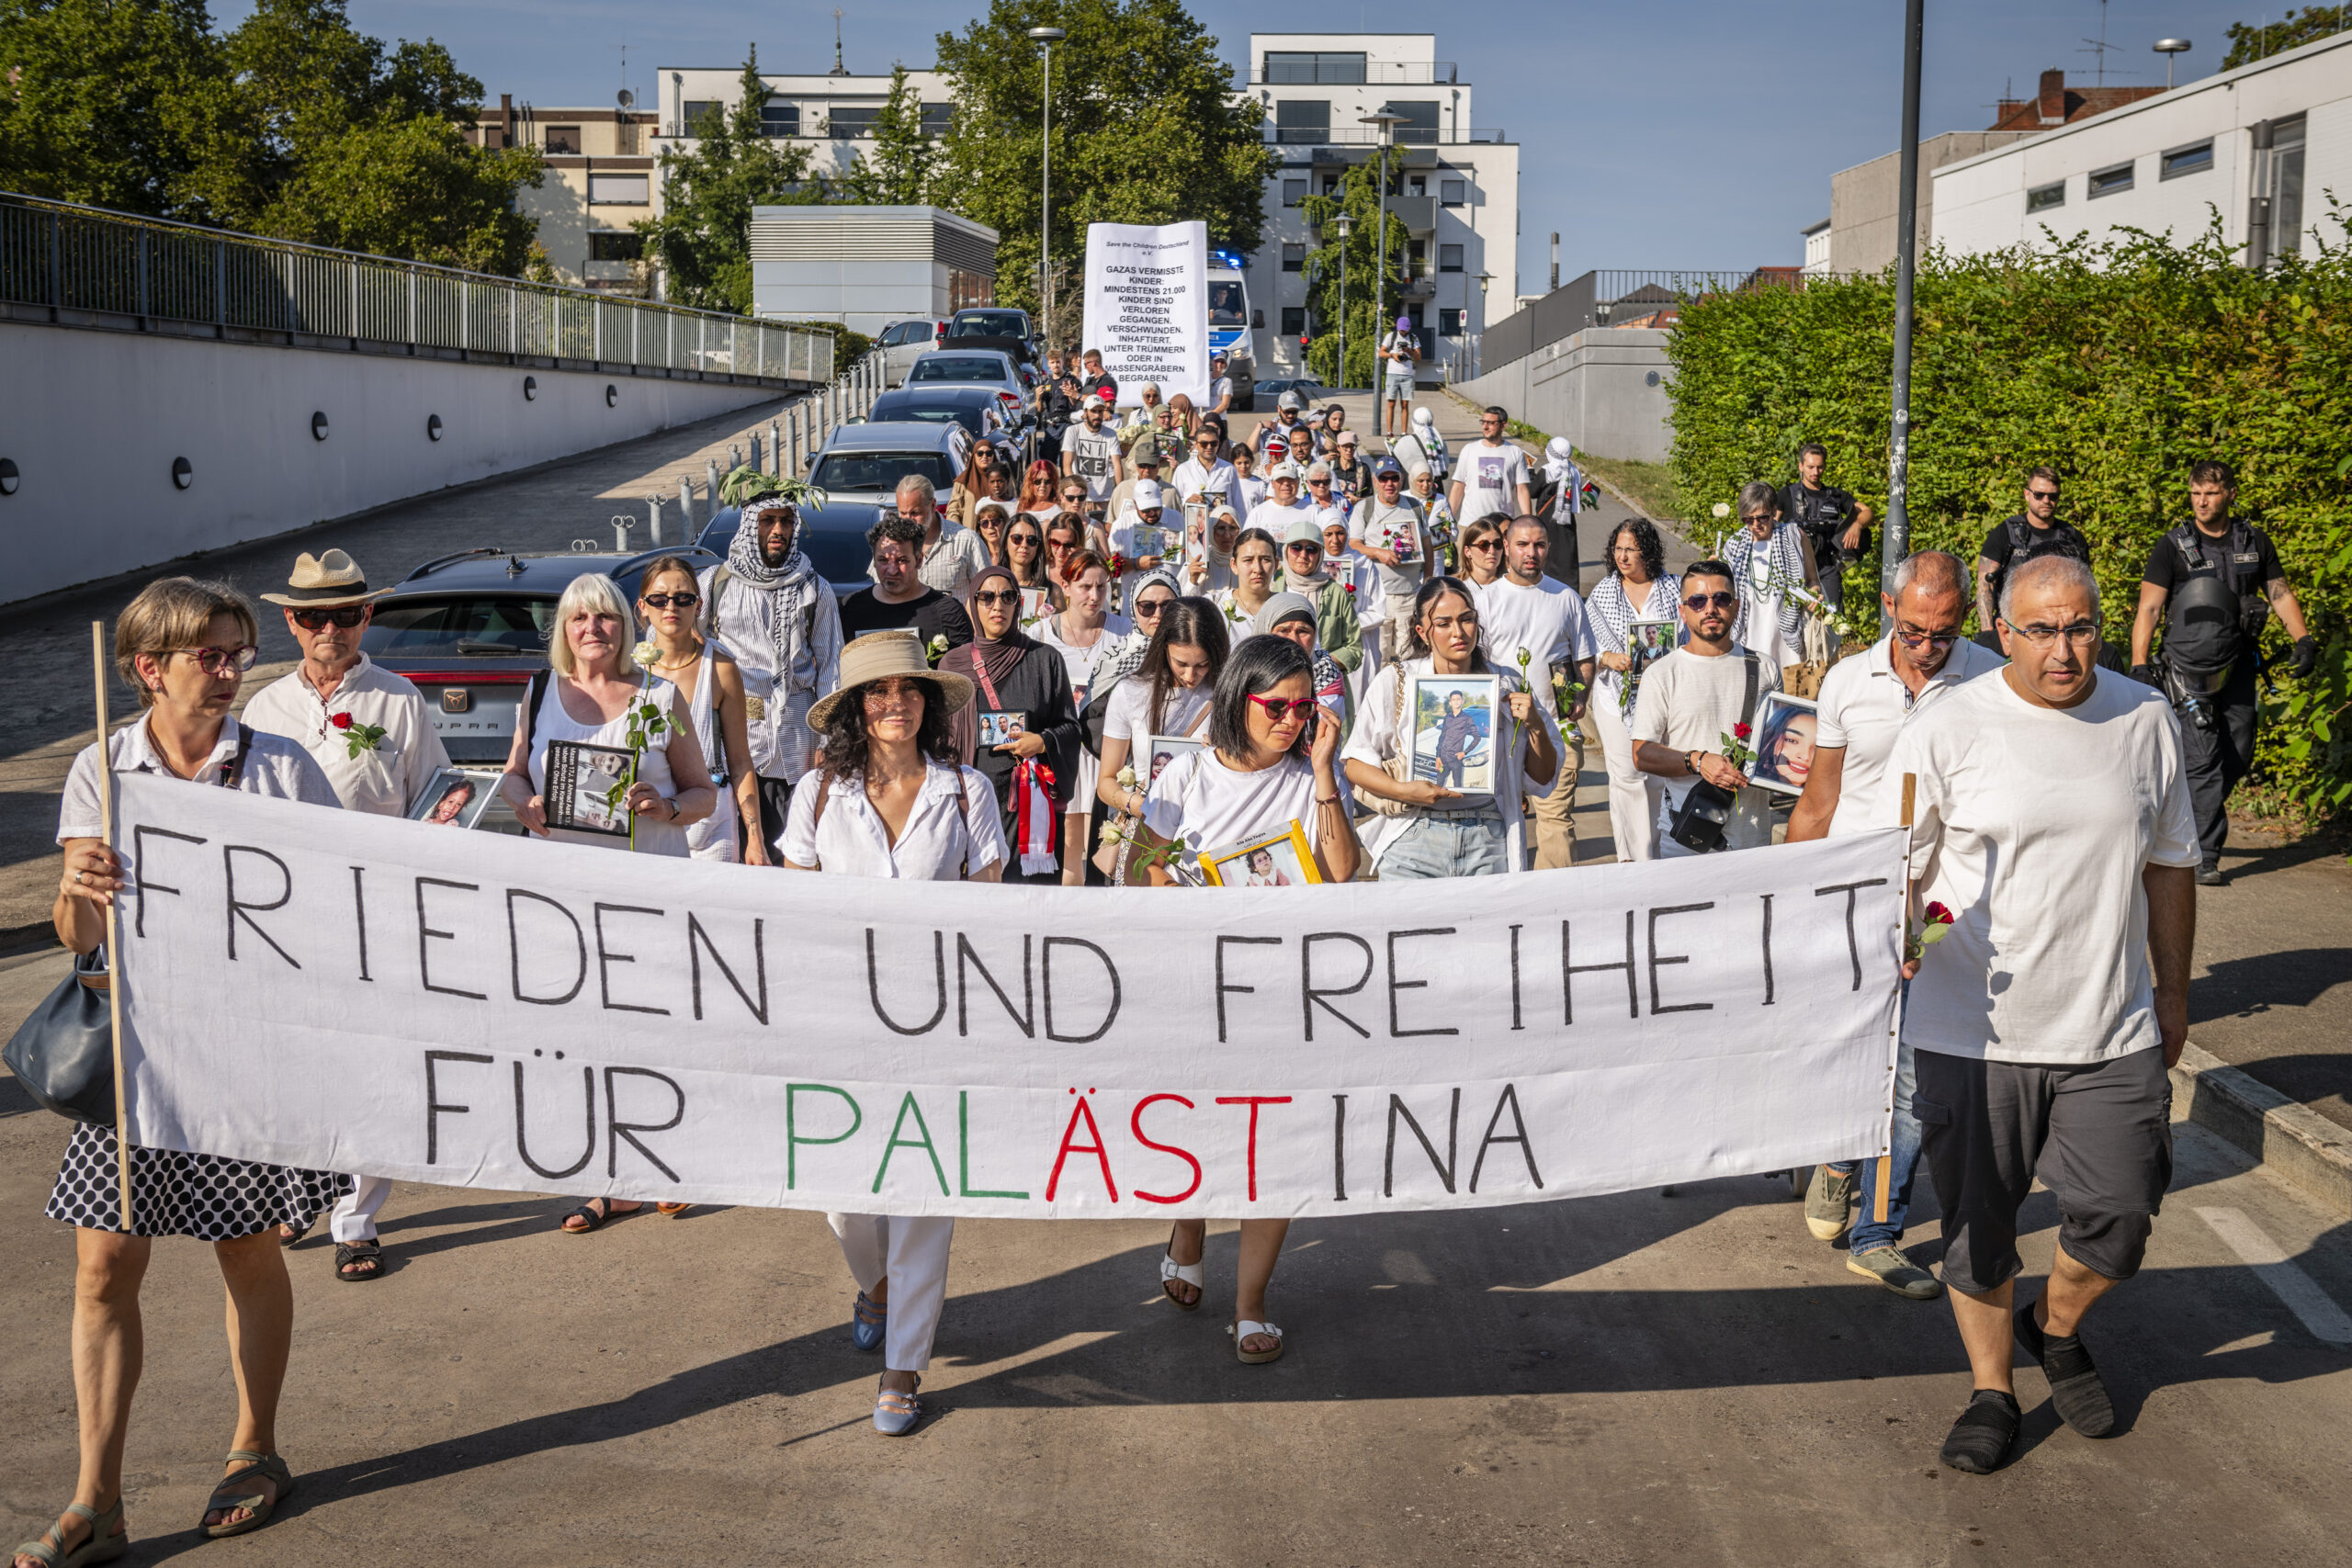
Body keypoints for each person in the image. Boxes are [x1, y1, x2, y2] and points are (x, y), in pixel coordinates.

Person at [35, 578, 347, 1562]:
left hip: (243, 1046)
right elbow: (78, 938)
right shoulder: (104, 765)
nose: (228, 671)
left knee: (248, 1247)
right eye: (208, 656)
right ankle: (96, 1502)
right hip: (136, 1045)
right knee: (102, 1267)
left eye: (235, 653)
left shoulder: (282, 766)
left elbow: (338, 906)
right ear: (147, 668)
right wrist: (76, 890)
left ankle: (254, 1447)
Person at [1890, 554, 2198, 1476]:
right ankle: (1992, 1390)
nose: (2064, 651)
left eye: (2081, 627)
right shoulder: (1949, 725)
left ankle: (2053, 1324)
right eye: (2042, 631)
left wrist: (2172, 988)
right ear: (2003, 631)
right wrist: (1920, 938)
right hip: (1969, 1032)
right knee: (1979, 1227)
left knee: (2119, 1217)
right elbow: (1915, 874)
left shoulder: (2144, 717)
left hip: (2110, 1025)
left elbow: (2169, 862)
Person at [779, 631, 1004, 1438]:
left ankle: (903, 1363)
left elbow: (989, 910)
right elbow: (794, 913)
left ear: (929, 701)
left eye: (909, 690)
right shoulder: (814, 796)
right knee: (843, 1197)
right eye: (877, 693)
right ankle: (873, 1286)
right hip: (841, 1022)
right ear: (852, 710)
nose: (895, 703)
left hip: (940, 1021)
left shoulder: (969, 791)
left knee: (923, 1195)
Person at [1136, 635, 1360, 1362]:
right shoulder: (1185, 776)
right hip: (1198, 987)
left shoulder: (1308, 773)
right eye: (1279, 705)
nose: (1293, 720)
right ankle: (1191, 1226)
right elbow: (1139, 867)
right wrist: (1179, 890)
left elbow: (1342, 870)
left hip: (1283, 993)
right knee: (1199, 1130)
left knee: (1275, 1146)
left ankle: (1251, 1303)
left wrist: (1324, 772)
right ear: (1240, 699)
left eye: (1305, 707)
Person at [1786, 550, 1999, 1298]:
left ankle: (1878, 1232)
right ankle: (1839, 1154)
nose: (1928, 648)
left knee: (1913, 1067)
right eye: (1913, 631)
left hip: (1938, 903)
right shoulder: (1848, 681)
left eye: (1943, 633)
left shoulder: (1992, 680)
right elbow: (1819, 798)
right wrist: (1783, 893)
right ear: (1886, 606)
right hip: (1849, 893)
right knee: (1842, 1045)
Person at [243, 549, 449, 1280]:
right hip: (289, 914)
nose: (329, 628)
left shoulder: (399, 700)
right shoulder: (263, 707)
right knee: (296, 1063)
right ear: (292, 624)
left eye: (345, 614)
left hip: (378, 910)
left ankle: (356, 1218)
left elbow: (438, 796)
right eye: (312, 616)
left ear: (367, 616)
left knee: (372, 1067)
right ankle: (298, 1193)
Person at [503, 575, 717, 1232]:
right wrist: (524, 804)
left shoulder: (658, 695)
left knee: (650, 1029)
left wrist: (668, 807)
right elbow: (514, 772)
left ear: (625, 626)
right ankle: (608, 1179)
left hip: (647, 885)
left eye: (606, 617)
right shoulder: (539, 693)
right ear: (564, 631)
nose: (593, 628)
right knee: (580, 1035)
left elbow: (703, 791)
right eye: (579, 619)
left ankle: (659, 1162)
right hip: (563, 894)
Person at [2129, 460, 2316, 885]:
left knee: (2238, 751)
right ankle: (2204, 855)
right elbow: (2150, 608)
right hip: (2185, 667)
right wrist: (2140, 663)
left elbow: (2280, 594)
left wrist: (2304, 639)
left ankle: (2180, 822)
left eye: (2210, 494)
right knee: (2202, 758)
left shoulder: (2253, 540)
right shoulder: (2173, 545)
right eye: (2195, 494)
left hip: (2238, 664)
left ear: (2230, 493)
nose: (2201, 502)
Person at [1345, 575, 1562, 877]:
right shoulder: (1396, 681)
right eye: (1444, 623)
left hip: (1488, 838)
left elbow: (1543, 776)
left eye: (1467, 619)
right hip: (1414, 838)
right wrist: (1404, 791)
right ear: (1422, 632)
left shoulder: (1508, 683)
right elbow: (1355, 764)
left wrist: (1536, 726)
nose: (1458, 632)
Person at [700, 492, 842, 855]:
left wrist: (829, 743)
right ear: (751, 527)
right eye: (768, 521)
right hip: (727, 741)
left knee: (789, 855)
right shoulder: (715, 584)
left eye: (786, 522)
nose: (778, 530)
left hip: (794, 748)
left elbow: (831, 670)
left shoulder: (814, 588)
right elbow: (672, 647)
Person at [939, 565, 1082, 884]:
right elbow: (941, 739)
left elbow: (1072, 729)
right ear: (973, 605)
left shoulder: (1044, 659)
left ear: (1018, 603)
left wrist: (1043, 741)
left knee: (1027, 896)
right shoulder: (954, 664)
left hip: (1028, 802)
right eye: (986, 597)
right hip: (972, 798)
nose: (997, 605)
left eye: (1007, 596)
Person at [1631, 559, 1781, 856]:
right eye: (1698, 601)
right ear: (1683, 612)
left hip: (1752, 839)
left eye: (1721, 599)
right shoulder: (1662, 673)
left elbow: (1778, 747)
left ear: (1736, 607)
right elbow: (1641, 753)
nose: (1710, 609)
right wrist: (1698, 761)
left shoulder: (1765, 668)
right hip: (1686, 843)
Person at [1476, 515, 1597, 871]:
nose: (1532, 553)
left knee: (1556, 824)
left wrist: (1580, 697)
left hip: (1555, 730)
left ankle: (1554, 907)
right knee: (1498, 824)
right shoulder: (1485, 600)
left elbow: (1585, 656)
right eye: (1523, 545)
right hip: (1499, 732)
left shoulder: (1566, 597)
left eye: (1539, 545)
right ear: (1506, 547)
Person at [637, 556, 765, 864]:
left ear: (698, 605)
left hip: (712, 820)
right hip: (647, 815)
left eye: (683, 598)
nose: (671, 607)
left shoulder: (721, 667)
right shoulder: (632, 669)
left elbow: (740, 761)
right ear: (643, 606)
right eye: (659, 598)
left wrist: (755, 839)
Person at [1093, 594, 1230, 885]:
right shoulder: (1130, 692)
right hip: (1146, 836)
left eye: (1203, 665)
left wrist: (1221, 758)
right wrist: (1137, 803)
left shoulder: (1229, 695)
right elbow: (1106, 781)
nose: (1191, 675)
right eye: (1181, 663)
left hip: (1209, 832)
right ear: (1163, 647)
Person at [1033, 549, 1136, 881]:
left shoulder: (1125, 631)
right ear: (1065, 586)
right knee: (1067, 839)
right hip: (1061, 751)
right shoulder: (1040, 634)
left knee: (1099, 838)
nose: (1094, 596)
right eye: (1085, 587)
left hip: (1105, 751)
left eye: (1101, 588)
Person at [1583, 519, 1681, 863]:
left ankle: (1661, 852)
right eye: (1619, 549)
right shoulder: (1603, 594)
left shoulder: (1673, 588)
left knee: (1658, 777)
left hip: (1666, 700)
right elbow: (1583, 645)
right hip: (1616, 699)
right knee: (1627, 777)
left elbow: (1689, 635)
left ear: (1648, 552)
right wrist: (1606, 657)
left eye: (1631, 549)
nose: (1623, 557)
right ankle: (1634, 861)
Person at [1722, 480, 1820, 680]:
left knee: (1789, 695)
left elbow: (1813, 581)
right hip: (1750, 633)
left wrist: (1814, 596)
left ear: (1774, 512)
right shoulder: (1734, 546)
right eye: (1748, 520)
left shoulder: (1794, 537)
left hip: (1787, 633)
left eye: (1762, 518)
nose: (1756, 525)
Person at [838, 513, 978, 651]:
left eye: (902, 560)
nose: (892, 570)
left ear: (919, 560)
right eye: (883, 560)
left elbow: (963, 669)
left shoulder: (949, 613)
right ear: (874, 561)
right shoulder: (850, 609)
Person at [1973, 468, 2086, 632]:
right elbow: (1985, 585)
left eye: (2052, 496)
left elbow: (2085, 584)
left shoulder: (2072, 536)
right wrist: (1987, 630)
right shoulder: (2005, 533)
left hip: (2061, 628)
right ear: (2027, 494)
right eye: (2039, 495)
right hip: (2011, 625)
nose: (2046, 500)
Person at [1347, 457, 1429, 663]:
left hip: (1410, 594)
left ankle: (1404, 695)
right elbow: (1354, 545)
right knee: (1378, 656)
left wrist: (1428, 579)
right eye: (1384, 479)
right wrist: (1379, 553)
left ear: (1402, 480)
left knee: (1410, 655)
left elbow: (1426, 544)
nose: (1389, 484)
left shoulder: (1415, 506)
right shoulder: (1365, 508)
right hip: (1377, 596)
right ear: (1375, 481)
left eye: (1394, 478)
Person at [1780, 442, 1874, 614]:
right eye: (1810, 467)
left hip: (1827, 567)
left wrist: (1857, 525)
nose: (1815, 472)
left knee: (1834, 617)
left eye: (1820, 467)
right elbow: (1769, 524)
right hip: (1795, 567)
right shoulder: (1786, 494)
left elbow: (1867, 512)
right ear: (1801, 466)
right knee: (1794, 619)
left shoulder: (1836, 496)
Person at [1277, 516, 1363, 675]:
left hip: (1325, 683)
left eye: (1311, 549)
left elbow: (1354, 648)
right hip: (1278, 678)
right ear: (1286, 550)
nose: (1303, 555)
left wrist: (1319, 665)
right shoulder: (1274, 588)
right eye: (1296, 547)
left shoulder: (1336, 593)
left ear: (1320, 554)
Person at [884, 474, 991, 598]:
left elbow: (987, 593)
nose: (908, 520)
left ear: (933, 505)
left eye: (915, 513)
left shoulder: (967, 541)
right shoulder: (890, 544)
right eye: (903, 513)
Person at [1250, 592, 1351, 724]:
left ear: (1315, 636)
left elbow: (1320, 728)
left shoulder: (1326, 673)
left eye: (1303, 631)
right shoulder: (1249, 670)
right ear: (1267, 632)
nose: (1294, 640)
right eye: (1284, 630)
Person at [1449, 406, 1531, 525]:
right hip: (1470, 524)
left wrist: (1528, 521)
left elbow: (1522, 490)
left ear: (1503, 426)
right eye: (1483, 422)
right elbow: (1458, 486)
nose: (1485, 427)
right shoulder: (1469, 449)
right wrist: (1448, 519)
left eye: (1491, 423)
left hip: (1502, 525)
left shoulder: (1515, 452)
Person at [1061, 393, 1123, 511]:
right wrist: (1077, 492)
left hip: (1104, 497)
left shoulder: (1110, 434)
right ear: (1085, 412)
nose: (1097, 415)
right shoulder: (1073, 431)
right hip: (1079, 498)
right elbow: (1066, 466)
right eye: (1093, 411)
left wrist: (1119, 491)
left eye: (1100, 411)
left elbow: (1117, 464)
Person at [1212, 527, 1283, 629]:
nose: (1258, 569)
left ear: (1276, 565)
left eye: (1265, 560)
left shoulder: (1288, 608)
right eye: (1248, 560)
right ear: (1234, 565)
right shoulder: (1216, 607)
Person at [1174, 422, 1245, 522]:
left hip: (1223, 529)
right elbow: (1174, 504)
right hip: (1194, 530)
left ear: (1218, 443)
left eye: (1213, 443)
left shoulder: (1229, 468)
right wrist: (1187, 502)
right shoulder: (1183, 469)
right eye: (1204, 443)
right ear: (1195, 445)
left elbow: (1238, 504)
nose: (1209, 447)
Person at [1539, 437, 1585, 581]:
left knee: (1548, 555)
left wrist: (1529, 471)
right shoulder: (1574, 471)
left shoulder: (1548, 470)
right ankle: (1570, 591)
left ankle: (1548, 588)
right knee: (1567, 557)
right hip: (1568, 520)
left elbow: (1532, 491)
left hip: (1548, 519)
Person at [1004, 513, 1062, 622]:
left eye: (1031, 540)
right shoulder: (989, 586)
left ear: (1038, 546)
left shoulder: (1054, 592)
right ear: (1005, 544)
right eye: (1017, 538)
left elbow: (1063, 633)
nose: (1024, 545)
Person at [1243, 460, 1316, 540]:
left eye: (1290, 479)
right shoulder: (1257, 513)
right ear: (1273, 484)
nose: (1286, 483)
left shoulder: (1313, 511)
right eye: (1280, 480)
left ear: (1298, 482)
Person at [1408, 462, 1457, 572]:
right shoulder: (1404, 498)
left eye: (1429, 480)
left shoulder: (1440, 500)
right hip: (1411, 564)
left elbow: (1454, 533)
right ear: (1412, 480)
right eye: (1420, 481)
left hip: (1435, 564)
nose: (1425, 485)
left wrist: (1448, 533)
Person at [1106, 436, 1165, 523]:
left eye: (1152, 466)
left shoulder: (1171, 493)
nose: (1147, 470)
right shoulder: (1122, 489)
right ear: (1136, 465)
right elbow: (1109, 523)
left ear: (1159, 465)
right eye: (1142, 466)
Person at [1189, 502, 1242, 596]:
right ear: (1211, 530)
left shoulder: (1245, 561)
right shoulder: (1200, 559)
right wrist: (1193, 580)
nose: (1227, 535)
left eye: (1233, 528)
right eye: (1221, 528)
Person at [1379, 315, 1419, 436]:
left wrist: (1409, 351)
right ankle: (1390, 432)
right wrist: (1393, 355)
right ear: (1397, 328)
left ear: (1409, 328)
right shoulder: (1391, 336)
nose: (1403, 332)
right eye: (1401, 329)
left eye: (1405, 329)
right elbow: (1381, 352)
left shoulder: (1413, 338)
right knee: (1391, 403)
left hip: (1407, 374)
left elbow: (1418, 358)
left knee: (1405, 404)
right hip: (1392, 373)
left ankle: (1403, 432)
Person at [1390, 402, 1450, 484]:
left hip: (1411, 488)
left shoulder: (1404, 442)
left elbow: (1394, 466)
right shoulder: (1439, 441)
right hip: (1435, 489)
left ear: (1413, 422)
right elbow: (1445, 465)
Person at [1456, 514, 1509, 589]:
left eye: (1497, 544)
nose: (1492, 551)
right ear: (1468, 551)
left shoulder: (1513, 586)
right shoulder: (1453, 587)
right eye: (1484, 545)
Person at [1328, 430, 1370, 504]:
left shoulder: (1363, 468)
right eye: (1345, 447)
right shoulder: (1329, 466)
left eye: (1352, 447)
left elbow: (1370, 497)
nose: (1349, 450)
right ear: (1338, 447)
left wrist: (1358, 500)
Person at [1229, 443, 1267, 514]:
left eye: (1246, 462)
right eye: (1239, 463)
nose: (1243, 466)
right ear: (1233, 463)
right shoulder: (1229, 483)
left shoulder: (1260, 484)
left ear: (1252, 461)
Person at [1205, 352, 1234, 419]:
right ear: (1212, 362)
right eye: (1217, 361)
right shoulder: (1204, 377)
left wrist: (1209, 416)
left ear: (1225, 365)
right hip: (1201, 415)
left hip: (1217, 418)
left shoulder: (1227, 381)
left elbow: (1225, 405)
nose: (1219, 364)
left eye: (1222, 362)